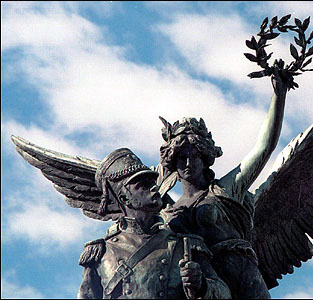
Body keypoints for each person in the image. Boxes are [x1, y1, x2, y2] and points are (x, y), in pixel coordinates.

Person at [159, 69, 289, 298]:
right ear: (172, 161)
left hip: (242, 279)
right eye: (181, 157)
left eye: (195, 156)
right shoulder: (165, 209)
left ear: (205, 158)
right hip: (203, 287)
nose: (188, 163)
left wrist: (279, 96)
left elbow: (264, 148)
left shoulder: (224, 190)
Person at [77, 148, 231, 299]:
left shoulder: (185, 245)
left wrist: (202, 285)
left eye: (153, 182)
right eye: (143, 185)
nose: (154, 187)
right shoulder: (101, 254)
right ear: (125, 199)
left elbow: (225, 293)